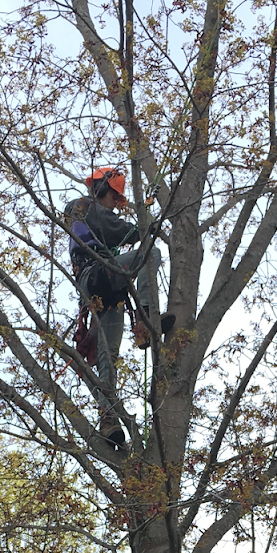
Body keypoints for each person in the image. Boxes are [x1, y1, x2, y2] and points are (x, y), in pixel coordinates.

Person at [64, 166, 170, 446]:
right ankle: (146, 319)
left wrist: (142, 225)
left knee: (108, 356)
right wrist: (142, 228)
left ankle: (108, 418)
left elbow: (115, 231)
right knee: (150, 254)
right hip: (95, 275)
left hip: (107, 290)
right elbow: (115, 229)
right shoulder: (82, 207)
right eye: (114, 196)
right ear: (101, 189)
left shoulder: (96, 215)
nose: (115, 203)